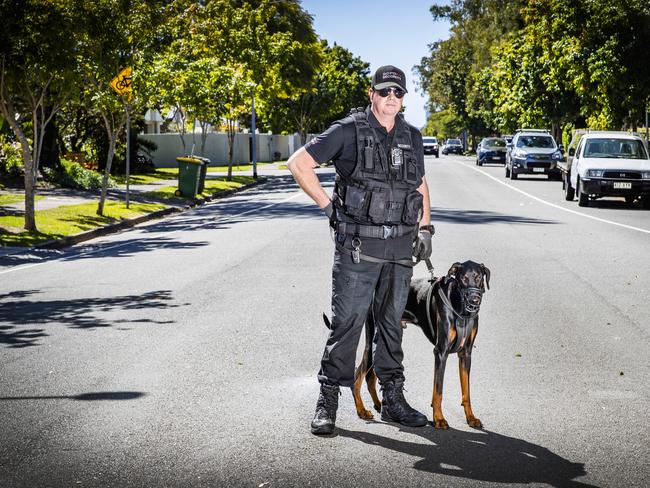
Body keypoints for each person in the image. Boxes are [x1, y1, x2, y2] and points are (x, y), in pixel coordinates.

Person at [287, 65, 433, 435]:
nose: (391, 99)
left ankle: (393, 399)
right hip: (358, 248)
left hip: (400, 249)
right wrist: (327, 206)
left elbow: (419, 184)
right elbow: (299, 164)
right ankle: (328, 400)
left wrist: (426, 227)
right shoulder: (347, 131)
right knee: (348, 324)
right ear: (372, 94)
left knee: (391, 326)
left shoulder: (411, 136)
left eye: (397, 93)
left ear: (403, 99)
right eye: (384, 92)